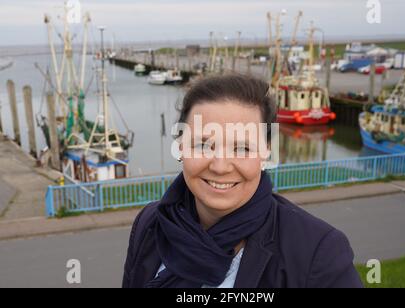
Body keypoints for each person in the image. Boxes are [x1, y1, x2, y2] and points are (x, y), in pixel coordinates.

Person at [122, 74, 363, 288]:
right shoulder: (151, 223)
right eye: (203, 145)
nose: (220, 166)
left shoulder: (316, 251)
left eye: (242, 148)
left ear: (266, 151)